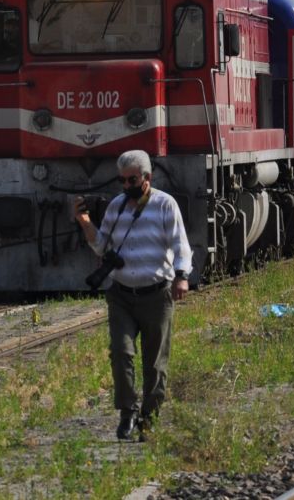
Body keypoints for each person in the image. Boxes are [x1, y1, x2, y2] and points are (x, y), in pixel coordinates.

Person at [72, 150, 192, 441]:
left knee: (155, 363)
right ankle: (128, 412)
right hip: (121, 295)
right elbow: (101, 246)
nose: (126, 186)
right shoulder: (117, 206)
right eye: (122, 180)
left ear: (147, 178)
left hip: (157, 294)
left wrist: (181, 277)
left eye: (132, 180)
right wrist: (85, 221)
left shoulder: (165, 205)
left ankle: (149, 419)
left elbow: (181, 245)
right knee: (121, 353)